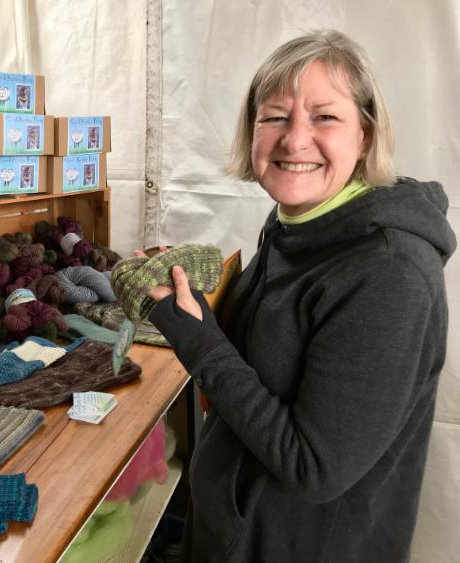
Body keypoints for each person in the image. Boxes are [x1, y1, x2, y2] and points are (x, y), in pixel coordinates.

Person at [145, 30, 456, 562]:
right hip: (235, 532)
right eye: (274, 117)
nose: (294, 141)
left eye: (324, 117)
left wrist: (199, 342)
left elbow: (314, 469)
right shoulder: (298, 223)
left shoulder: (389, 272)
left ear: (365, 134)